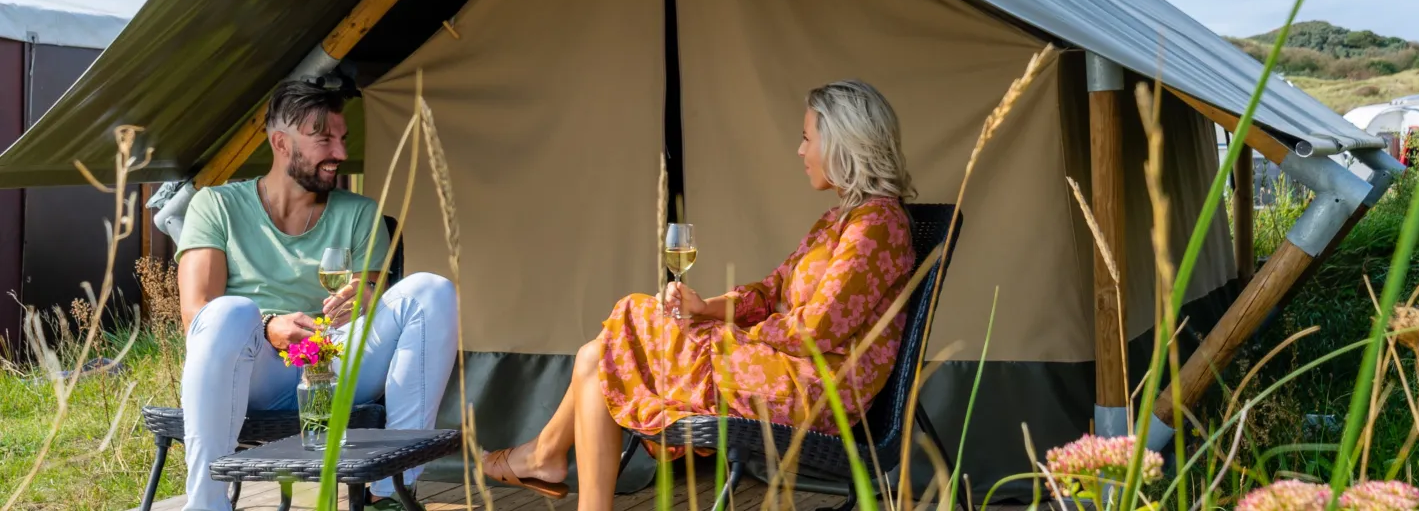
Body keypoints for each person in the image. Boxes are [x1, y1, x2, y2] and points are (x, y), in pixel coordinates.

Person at [481, 80, 918, 509]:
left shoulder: (876, 226)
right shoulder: (838, 220)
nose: (800, 151)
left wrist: (734, 335)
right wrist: (706, 309)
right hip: (777, 367)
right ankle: (551, 463)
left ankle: (544, 456)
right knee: (598, 356)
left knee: (630, 315)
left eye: (807, 138)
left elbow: (813, 333)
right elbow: (769, 292)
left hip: (809, 391)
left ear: (843, 143)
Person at [175, 80, 459, 511]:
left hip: (334, 363)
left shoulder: (360, 213)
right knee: (228, 312)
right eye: (324, 139)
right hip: (257, 371)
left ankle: (389, 495)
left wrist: (363, 299)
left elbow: (373, 293)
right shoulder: (216, 206)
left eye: (342, 139)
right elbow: (196, 316)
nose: (341, 154)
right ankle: (207, 506)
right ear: (281, 143)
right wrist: (268, 327)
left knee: (431, 292)